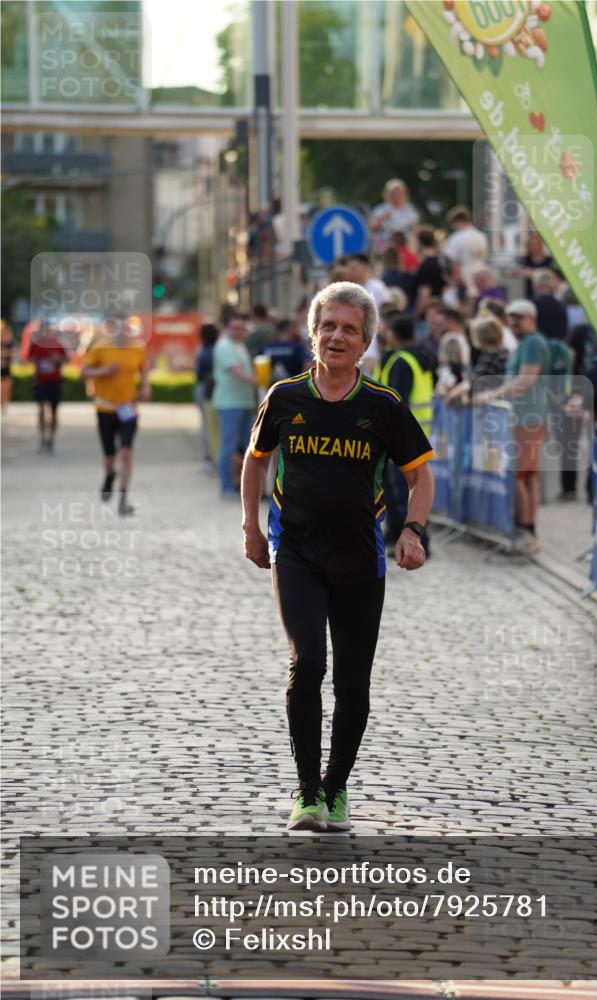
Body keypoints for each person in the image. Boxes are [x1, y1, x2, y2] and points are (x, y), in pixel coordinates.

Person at [241, 282, 434, 832]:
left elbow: (420, 478)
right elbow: (256, 462)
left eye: (350, 328)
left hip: (360, 559)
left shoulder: (382, 406)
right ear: (312, 333)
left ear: (367, 341)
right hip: (296, 551)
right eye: (328, 326)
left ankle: (335, 787)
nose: (337, 336)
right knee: (308, 662)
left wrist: (413, 531)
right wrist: (251, 527)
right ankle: (306, 794)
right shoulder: (283, 398)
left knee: (352, 683)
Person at [474, 299, 550, 554]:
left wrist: (492, 395)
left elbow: (526, 379)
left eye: (519, 316)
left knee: (520, 475)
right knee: (525, 475)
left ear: (532, 318)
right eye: (511, 316)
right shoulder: (525, 343)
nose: (514, 321)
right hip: (523, 416)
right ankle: (527, 532)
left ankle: (526, 532)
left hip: (528, 417)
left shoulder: (532, 343)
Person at [81, 316, 150, 515]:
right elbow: (83, 372)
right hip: (105, 409)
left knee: (126, 453)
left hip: (128, 409)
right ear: (112, 330)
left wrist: (145, 387)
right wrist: (104, 371)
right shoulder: (101, 347)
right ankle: (109, 476)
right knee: (110, 455)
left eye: (127, 328)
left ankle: (123, 498)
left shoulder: (138, 348)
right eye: (119, 328)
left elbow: (143, 370)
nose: (124, 332)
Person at [378, 315, 434, 554]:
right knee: (402, 490)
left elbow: (396, 401)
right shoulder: (421, 357)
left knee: (401, 493)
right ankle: (394, 535)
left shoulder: (401, 361)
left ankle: (412, 539)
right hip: (421, 432)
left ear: (392, 333)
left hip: (401, 437)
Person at [212, 314, 258, 497]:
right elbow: (236, 371)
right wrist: (258, 381)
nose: (239, 331)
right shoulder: (224, 346)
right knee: (229, 446)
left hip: (244, 402)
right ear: (226, 328)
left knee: (245, 446)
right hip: (229, 403)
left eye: (242, 328)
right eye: (235, 328)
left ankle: (240, 484)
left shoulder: (240, 346)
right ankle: (226, 487)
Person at [26, 323, 68, 452]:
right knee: (42, 408)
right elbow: (29, 358)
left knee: (54, 411)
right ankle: (42, 436)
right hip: (41, 382)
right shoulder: (36, 345)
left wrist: (57, 359)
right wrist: (36, 363)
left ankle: (51, 438)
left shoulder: (58, 345)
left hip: (55, 382)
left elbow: (65, 359)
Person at [444, 206, 489, 296]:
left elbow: (453, 263)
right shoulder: (481, 236)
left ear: (456, 222)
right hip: (482, 278)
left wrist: (453, 282)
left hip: (465, 279)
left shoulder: (456, 237)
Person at [370, 179, 419, 255]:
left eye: (399, 192)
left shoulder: (409, 209)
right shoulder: (380, 209)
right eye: (393, 192)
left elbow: (415, 229)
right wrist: (381, 219)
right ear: (387, 193)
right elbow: (372, 228)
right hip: (386, 245)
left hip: (406, 246)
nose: (396, 194)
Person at [194, 322, 219, 471]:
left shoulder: (201, 349)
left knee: (205, 423)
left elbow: (196, 369)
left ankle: (209, 455)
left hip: (202, 387)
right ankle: (215, 454)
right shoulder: (218, 349)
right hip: (214, 387)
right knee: (216, 424)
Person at [412, 227, 444, 318]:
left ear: (420, 242)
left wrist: (416, 315)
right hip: (439, 310)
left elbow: (424, 293)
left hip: (428, 315)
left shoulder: (427, 265)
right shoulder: (440, 260)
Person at [532, 269, 568, 341]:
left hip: (537, 345)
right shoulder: (561, 306)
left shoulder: (532, 304)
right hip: (556, 347)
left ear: (537, 285)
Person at [517, 232, 553, 298]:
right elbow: (515, 271)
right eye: (531, 244)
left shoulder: (549, 261)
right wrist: (520, 272)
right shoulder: (525, 260)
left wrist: (533, 273)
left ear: (540, 245)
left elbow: (551, 275)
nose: (533, 247)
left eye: (535, 244)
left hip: (545, 294)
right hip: (528, 293)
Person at [1, 319, 13, 413]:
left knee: (7, 387)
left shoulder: (9, 343)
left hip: (6, 367)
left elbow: (11, 353)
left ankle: (4, 405)